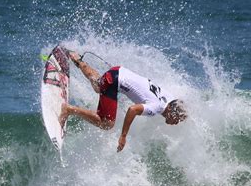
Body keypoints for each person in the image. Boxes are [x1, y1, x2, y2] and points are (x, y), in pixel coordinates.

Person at [59, 51, 187, 152]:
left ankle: (76, 58)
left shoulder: (168, 98)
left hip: (118, 71)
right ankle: (68, 109)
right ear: (171, 111)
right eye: (178, 118)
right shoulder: (157, 108)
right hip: (115, 81)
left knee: (99, 86)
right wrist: (123, 136)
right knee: (107, 123)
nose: (177, 122)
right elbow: (133, 110)